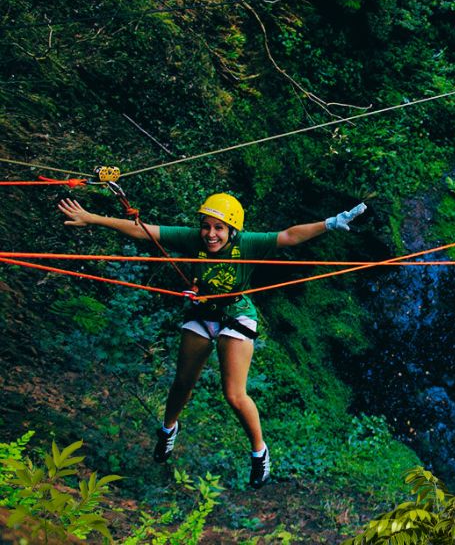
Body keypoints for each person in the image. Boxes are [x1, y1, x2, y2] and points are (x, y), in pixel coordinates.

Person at [58, 193, 366, 488]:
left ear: (232, 230)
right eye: (206, 226)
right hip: (203, 312)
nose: (210, 234)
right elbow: (143, 231)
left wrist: (330, 223)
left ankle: (259, 452)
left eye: (219, 228)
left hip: (236, 316)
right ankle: (168, 430)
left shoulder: (247, 244)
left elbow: (289, 236)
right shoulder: (193, 238)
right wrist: (91, 218)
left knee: (234, 394)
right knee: (182, 382)